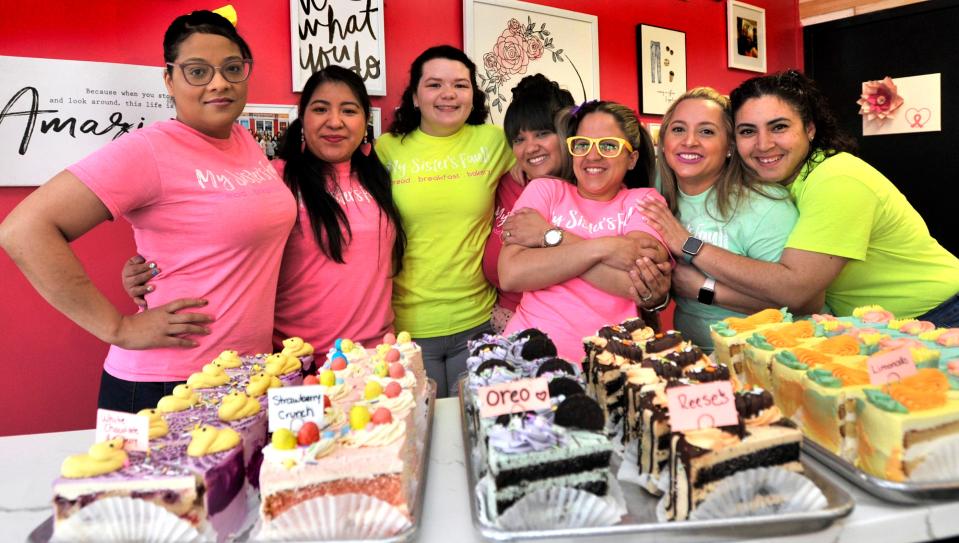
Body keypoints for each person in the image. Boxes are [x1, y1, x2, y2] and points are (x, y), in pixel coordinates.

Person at [0, 10, 297, 413]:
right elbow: (23, 229)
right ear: (169, 80)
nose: (219, 83)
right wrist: (117, 327)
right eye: (197, 71)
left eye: (232, 68)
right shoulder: (150, 150)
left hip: (245, 375)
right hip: (169, 384)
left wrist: (154, 268)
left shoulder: (243, 141)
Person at [638, 70, 959, 327]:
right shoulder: (776, 180)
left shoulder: (837, 179)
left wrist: (690, 252)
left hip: (938, 312)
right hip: (870, 324)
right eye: (748, 131)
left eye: (778, 127)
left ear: (809, 129)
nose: (763, 144)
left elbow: (798, 291)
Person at [124, 66, 405, 352]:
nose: (335, 122)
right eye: (320, 109)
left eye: (349, 111)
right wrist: (148, 272)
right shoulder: (271, 178)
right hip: (296, 360)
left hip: (374, 354)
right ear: (303, 117)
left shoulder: (379, 175)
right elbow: (215, 237)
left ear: (365, 120)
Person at [375, 45, 514, 397]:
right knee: (419, 435)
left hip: (480, 321)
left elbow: (549, 165)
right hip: (408, 326)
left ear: (473, 95)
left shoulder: (495, 142)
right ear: (415, 97)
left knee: (476, 431)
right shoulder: (386, 149)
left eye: (460, 85)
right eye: (435, 84)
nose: (449, 94)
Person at [498, 100, 671, 363]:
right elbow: (512, 274)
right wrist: (607, 248)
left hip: (611, 360)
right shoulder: (544, 190)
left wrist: (548, 236)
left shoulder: (644, 200)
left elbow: (635, 283)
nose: (592, 156)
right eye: (582, 145)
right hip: (526, 353)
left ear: (632, 159)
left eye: (609, 146)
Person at [634, 87, 798, 351]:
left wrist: (703, 287)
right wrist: (657, 291)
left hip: (765, 354)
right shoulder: (655, 196)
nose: (689, 141)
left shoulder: (766, 203)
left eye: (706, 131)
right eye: (678, 129)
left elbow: (797, 302)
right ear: (663, 143)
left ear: (730, 146)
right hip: (692, 355)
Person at [481, 74, 575, 334]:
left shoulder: (586, 192)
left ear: (566, 132)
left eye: (542, 134)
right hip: (504, 326)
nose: (529, 148)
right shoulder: (504, 185)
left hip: (563, 331)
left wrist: (547, 234)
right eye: (519, 139)